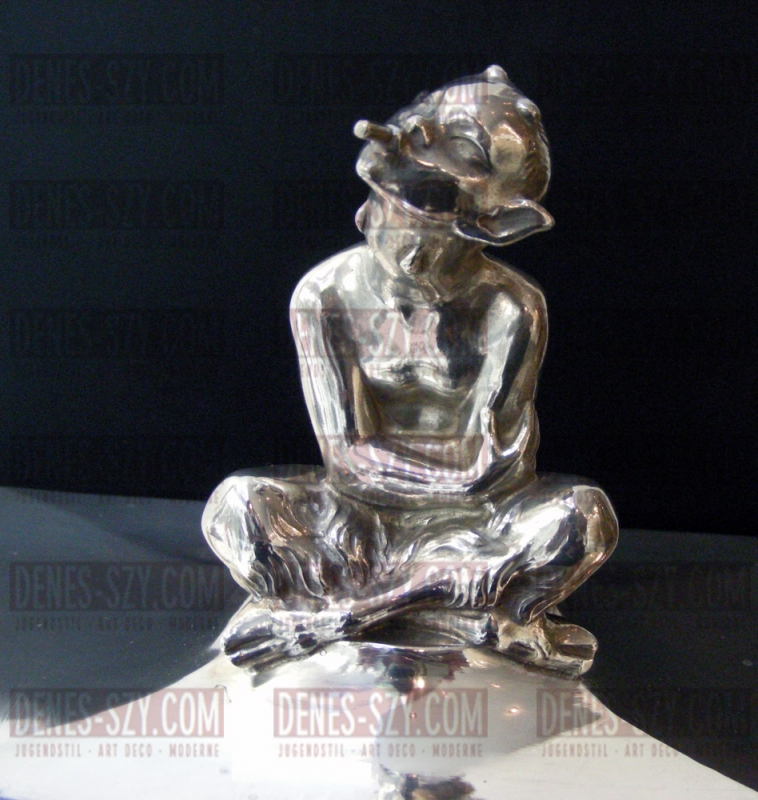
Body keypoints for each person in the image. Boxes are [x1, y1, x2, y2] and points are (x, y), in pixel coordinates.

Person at [202, 66, 617, 675]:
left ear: (487, 233)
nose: (413, 247)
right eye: (396, 214)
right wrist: (453, 479)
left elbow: (495, 468)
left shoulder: (512, 307)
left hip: (476, 528)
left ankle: (342, 616)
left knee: (583, 519)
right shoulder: (324, 296)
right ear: (370, 206)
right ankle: (460, 612)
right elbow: (349, 459)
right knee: (239, 506)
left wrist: (452, 484)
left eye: (440, 232)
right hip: (357, 524)